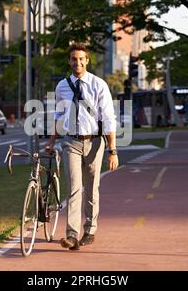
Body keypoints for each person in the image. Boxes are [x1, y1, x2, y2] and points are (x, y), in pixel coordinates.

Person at [45, 43, 119, 251]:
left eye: (81, 58)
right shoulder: (62, 86)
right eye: (73, 59)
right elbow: (59, 116)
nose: (77, 62)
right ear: (69, 61)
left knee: (92, 189)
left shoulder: (98, 85)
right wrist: (51, 141)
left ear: (87, 60)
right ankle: (71, 235)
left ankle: (90, 229)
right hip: (70, 142)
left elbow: (108, 119)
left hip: (95, 142)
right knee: (75, 188)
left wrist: (112, 150)